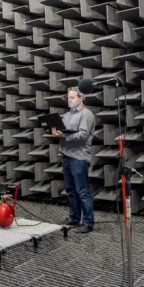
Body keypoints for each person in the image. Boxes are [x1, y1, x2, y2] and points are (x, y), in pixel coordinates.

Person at [51, 87, 96, 233]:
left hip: (79, 158)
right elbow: (64, 133)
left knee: (82, 191)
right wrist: (56, 133)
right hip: (66, 156)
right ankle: (74, 218)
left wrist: (64, 136)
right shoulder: (66, 115)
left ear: (80, 98)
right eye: (68, 98)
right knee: (70, 191)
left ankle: (88, 222)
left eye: (72, 98)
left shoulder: (86, 114)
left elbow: (83, 135)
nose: (69, 100)